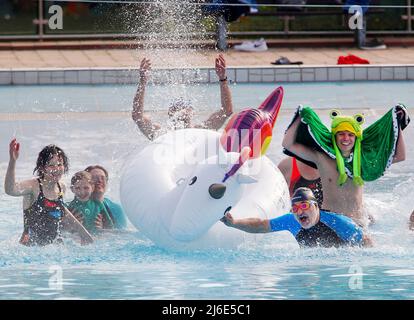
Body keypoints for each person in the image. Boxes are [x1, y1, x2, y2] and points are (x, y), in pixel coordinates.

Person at [282, 106, 408, 227]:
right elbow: (288, 144)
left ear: (356, 137)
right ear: (334, 136)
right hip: (331, 221)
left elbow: (400, 156)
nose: (346, 138)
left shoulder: (364, 161)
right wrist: (300, 116)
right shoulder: (322, 158)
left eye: (350, 135)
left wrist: (397, 126)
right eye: (341, 134)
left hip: (358, 222)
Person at [4, 139, 93, 246]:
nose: (56, 169)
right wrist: (12, 161)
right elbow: (10, 189)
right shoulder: (33, 187)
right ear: (42, 168)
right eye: (51, 165)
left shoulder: (61, 187)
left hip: (54, 247)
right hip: (31, 248)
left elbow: (62, 209)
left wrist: (84, 234)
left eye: (60, 164)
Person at [221, 187, 371, 248]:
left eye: (305, 206)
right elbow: (260, 225)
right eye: (295, 208)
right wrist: (234, 223)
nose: (299, 212)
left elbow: (367, 243)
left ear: (316, 207)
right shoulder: (291, 220)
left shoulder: (338, 222)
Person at [132, 54, 234, 140]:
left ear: (191, 112)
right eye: (175, 107)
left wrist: (222, 79)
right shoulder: (161, 134)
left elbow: (227, 111)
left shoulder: (201, 131)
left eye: (184, 106)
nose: (180, 109)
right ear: (170, 113)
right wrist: (142, 82)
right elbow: (137, 116)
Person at [84, 165, 128, 230]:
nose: (99, 180)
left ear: (106, 183)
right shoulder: (74, 207)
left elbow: (123, 236)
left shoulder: (116, 209)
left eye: (102, 178)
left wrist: (104, 230)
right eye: (94, 178)